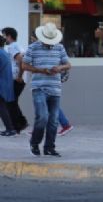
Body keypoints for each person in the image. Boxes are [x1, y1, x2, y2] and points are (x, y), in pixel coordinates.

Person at [22, 22, 71, 157]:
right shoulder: (33, 48)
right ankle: (34, 143)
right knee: (42, 117)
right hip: (39, 87)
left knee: (54, 120)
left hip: (55, 89)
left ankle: (49, 147)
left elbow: (68, 64)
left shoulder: (60, 48)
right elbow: (24, 65)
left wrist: (59, 68)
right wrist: (41, 70)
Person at [2, 27, 28, 133]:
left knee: (10, 102)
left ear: (9, 36)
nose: (3, 38)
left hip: (17, 79)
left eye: (4, 36)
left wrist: (19, 76)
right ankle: (20, 124)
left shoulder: (13, 46)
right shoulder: (17, 46)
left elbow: (20, 60)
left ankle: (16, 126)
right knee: (12, 102)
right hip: (17, 79)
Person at [0, 36, 16, 136]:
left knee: (2, 107)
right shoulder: (4, 52)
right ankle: (10, 128)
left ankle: (10, 129)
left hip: (1, 84)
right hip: (5, 84)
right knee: (2, 107)